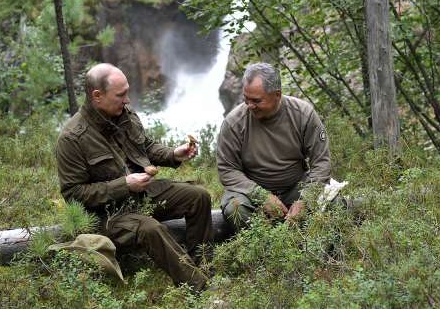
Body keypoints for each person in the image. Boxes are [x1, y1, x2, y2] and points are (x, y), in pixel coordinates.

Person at [55, 63, 211, 290]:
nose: (128, 100)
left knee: (198, 197)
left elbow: (144, 146)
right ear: (97, 96)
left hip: (142, 195)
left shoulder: (123, 113)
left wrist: (173, 154)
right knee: (151, 228)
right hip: (107, 215)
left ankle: (203, 264)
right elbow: (73, 194)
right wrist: (124, 185)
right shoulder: (72, 139)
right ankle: (199, 286)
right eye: (121, 95)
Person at [217, 62, 331, 231]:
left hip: (295, 188)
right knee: (235, 209)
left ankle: (306, 246)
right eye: (246, 98)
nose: (250, 105)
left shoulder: (303, 114)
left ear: (277, 94)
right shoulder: (233, 122)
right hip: (251, 194)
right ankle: (266, 249)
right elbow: (227, 170)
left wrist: (306, 199)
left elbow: (321, 162)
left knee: (333, 202)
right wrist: (262, 196)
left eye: (256, 100)